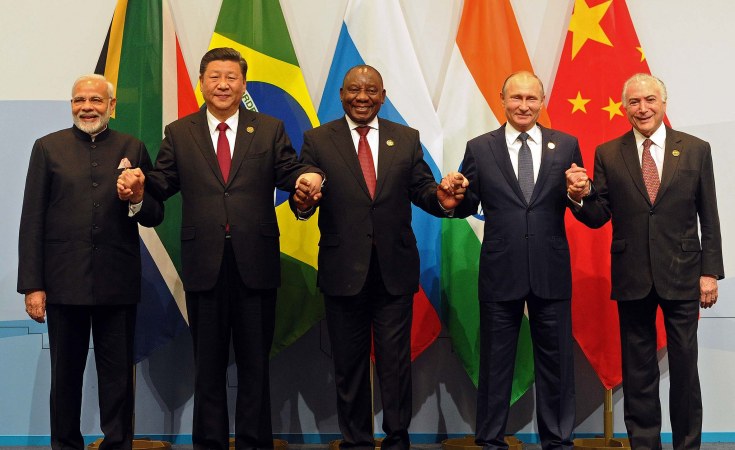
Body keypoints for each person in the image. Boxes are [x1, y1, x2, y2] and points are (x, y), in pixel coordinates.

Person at [118, 47, 323, 450]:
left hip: (256, 264)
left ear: (243, 84)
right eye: (215, 77)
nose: (223, 84)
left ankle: (254, 443)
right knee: (208, 367)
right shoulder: (181, 132)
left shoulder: (269, 129)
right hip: (204, 264)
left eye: (231, 77)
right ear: (202, 83)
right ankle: (209, 443)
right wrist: (139, 188)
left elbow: (291, 172)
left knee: (255, 365)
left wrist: (309, 178)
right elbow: (162, 183)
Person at [291, 64, 467, 450]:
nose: (362, 97)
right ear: (342, 94)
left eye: (371, 90)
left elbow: (423, 189)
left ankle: (397, 439)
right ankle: (356, 441)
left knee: (395, 363)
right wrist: (303, 201)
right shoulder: (317, 140)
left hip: (394, 271)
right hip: (342, 271)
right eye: (354, 90)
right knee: (348, 364)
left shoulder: (405, 139)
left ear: (383, 97)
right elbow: (307, 190)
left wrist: (443, 199)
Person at [570, 73, 723, 450]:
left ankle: (687, 444)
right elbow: (599, 215)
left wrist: (709, 272)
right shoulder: (608, 153)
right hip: (632, 274)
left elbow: (709, 215)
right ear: (625, 108)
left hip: (683, 273)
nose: (643, 108)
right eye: (635, 102)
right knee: (637, 372)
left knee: (685, 369)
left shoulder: (695, 149)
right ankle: (644, 444)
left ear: (664, 103)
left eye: (650, 100)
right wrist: (580, 196)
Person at [17, 74, 163, 450]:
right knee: (65, 378)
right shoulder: (48, 148)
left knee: (118, 379)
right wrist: (33, 285)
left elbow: (154, 214)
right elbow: (32, 220)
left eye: (96, 100)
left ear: (111, 106)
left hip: (118, 283)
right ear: (71, 105)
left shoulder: (132, 147)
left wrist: (136, 197)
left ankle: (118, 444)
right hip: (63, 284)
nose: (87, 107)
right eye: (79, 100)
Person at [452, 71, 589, 450]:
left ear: (542, 101)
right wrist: (455, 194)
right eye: (516, 98)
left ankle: (557, 442)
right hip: (501, 272)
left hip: (550, 271)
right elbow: (465, 205)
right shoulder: (480, 148)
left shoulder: (566, 145)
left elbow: (586, 206)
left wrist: (580, 193)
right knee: (495, 366)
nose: (524, 106)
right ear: (502, 100)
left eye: (531, 98)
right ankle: (490, 441)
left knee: (557, 365)